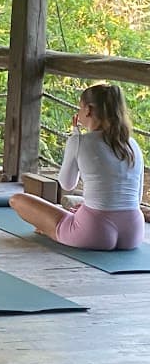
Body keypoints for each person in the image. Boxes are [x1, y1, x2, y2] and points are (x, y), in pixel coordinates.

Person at [9, 83, 145, 251]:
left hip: (93, 232)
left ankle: (50, 230)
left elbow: (67, 184)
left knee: (18, 200)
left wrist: (74, 137)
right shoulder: (133, 145)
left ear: (88, 110)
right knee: (81, 208)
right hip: (133, 232)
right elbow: (135, 200)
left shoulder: (79, 141)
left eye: (80, 107)